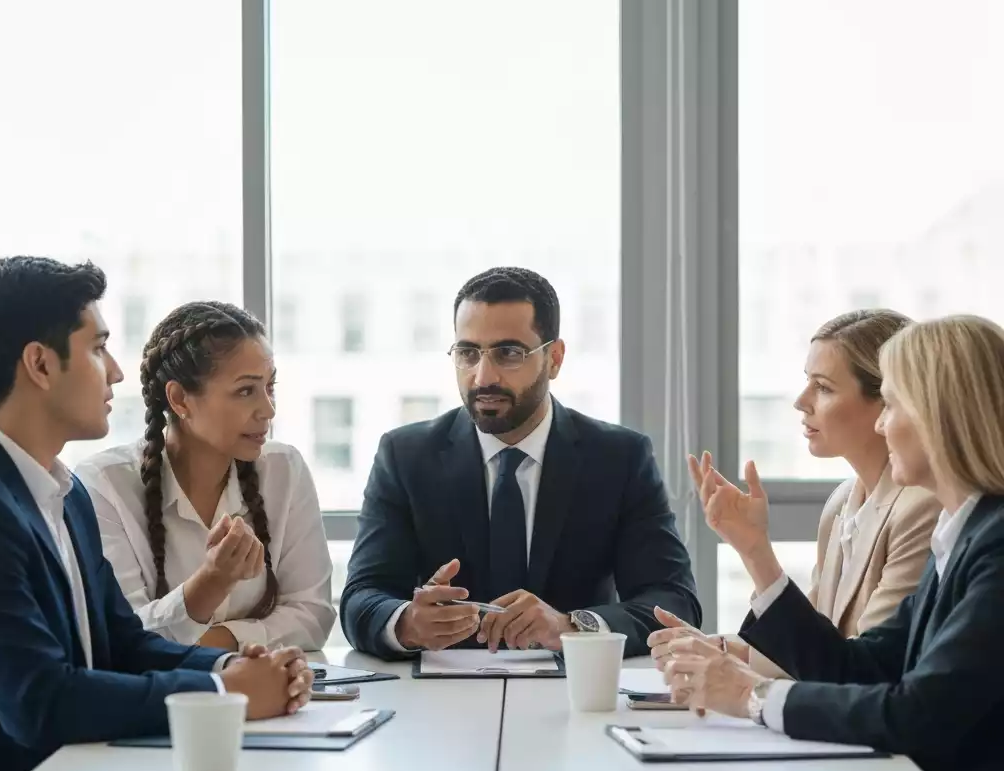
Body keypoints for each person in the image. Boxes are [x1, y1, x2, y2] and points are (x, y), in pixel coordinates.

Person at [656, 315, 1004, 771]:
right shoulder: (963, 536)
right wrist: (753, 551)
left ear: (941, 416)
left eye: (893, 405)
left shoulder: (993, 544)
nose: (883, 427)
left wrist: (752, 697)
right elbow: (857, 665)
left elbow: (917, 713)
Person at [0, 258, 313, 771]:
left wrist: (234, 667)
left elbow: (122, 644)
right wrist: (222, 693)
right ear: (39, 364)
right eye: (96, 348)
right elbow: (39, 700)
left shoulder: (66, 495)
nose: (114, 371)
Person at [340, 266, 700, 660]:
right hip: (440, 696)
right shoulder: (406, 456)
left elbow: (674, 602)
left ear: (555, 359)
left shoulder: (618, 458)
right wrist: (406, 622)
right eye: (468, 353)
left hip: (572, 694)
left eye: (508, 353)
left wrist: (571, 626)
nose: (483, 376)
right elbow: (362, 596)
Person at [658, 309, 940, 676]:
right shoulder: (842, 503)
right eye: (807, 381)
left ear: (886, 401)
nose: (800, 400)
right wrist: (719, 648)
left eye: (823, 387)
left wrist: (758, 554)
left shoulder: (923, 509)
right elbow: (812, 643)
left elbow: (862, 670)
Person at [75, 301, 335, 653]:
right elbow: (124, 638)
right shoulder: (104, 484)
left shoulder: (284, 469)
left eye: (269, 387)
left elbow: (313, 614)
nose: (268, 410)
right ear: (180, 399)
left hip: (274, 691)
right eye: (246, 391)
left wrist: (218, 642)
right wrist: (212, 582)